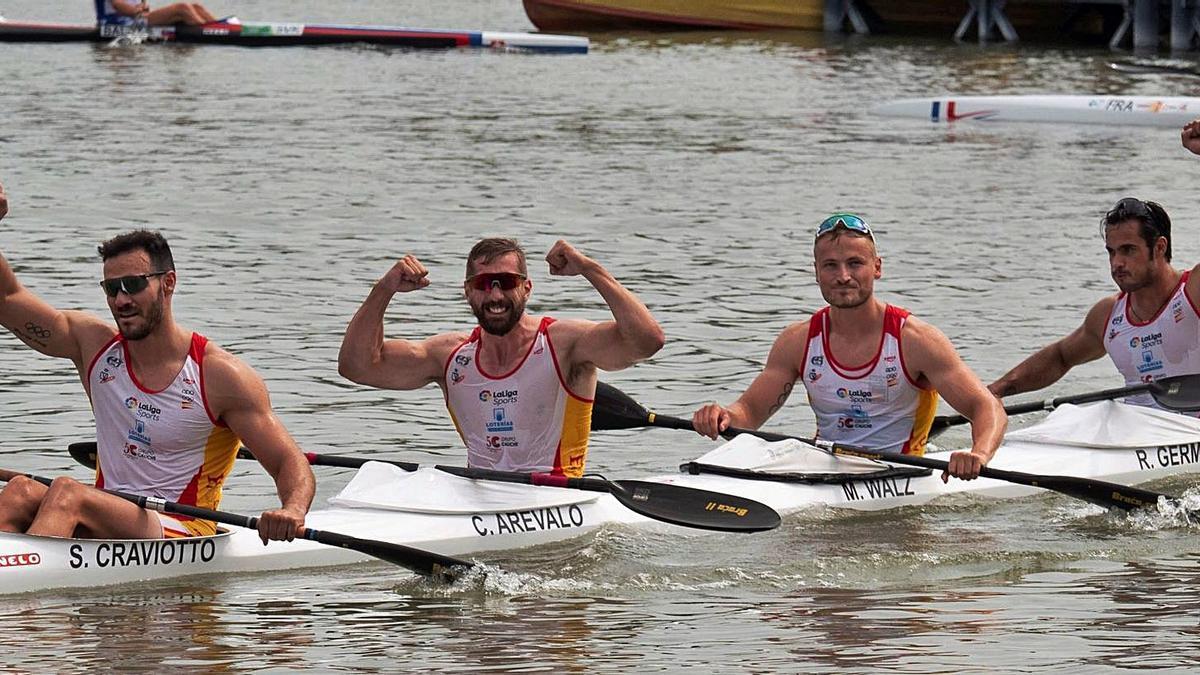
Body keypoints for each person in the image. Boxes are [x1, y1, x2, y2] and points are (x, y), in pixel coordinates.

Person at [0, 226, 314, 542]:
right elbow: (6, 297)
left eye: (133, 285)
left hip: (182, 525)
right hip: (106, 510)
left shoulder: (220, 376)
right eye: (112, 288)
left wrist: (292, 511)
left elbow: (289, 461)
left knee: (67, 492)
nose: (121, 299)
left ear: (168, 283)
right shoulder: (94, 347)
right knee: (20, 490)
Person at [691, 214, 1006, 481]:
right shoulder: (797, 341)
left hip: (900, 470)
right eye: (830, 266)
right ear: (816, 272)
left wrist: (978, 453)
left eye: (855, 263)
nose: (843, 277)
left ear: (877, 268)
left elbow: (988, 408)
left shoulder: (917, 341)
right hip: (826, 467)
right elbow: (750, 412)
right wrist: (722, 416)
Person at [338, 238, 665, 478]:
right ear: (467, 291)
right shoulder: (448, 356)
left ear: (527, 288)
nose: (495, 295)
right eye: (482, 284)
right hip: (479, 498)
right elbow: (357, 366)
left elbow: (646, 341)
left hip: (556, 496)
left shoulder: (565, 344)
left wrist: (590, 269)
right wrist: (384, 290)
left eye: (507, 283)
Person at [989, 198, 1199, 414]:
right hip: (1140, 432)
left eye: (1128, 250)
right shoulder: (1108, 314)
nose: (1117, 262)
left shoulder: (1193, 290)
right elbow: (1060, 357)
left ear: (1159, 247)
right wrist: (993, 392)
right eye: (1112, 252)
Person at [94, 0, 218, 28]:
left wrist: (143, 8)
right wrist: (138, 11)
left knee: (196, 7)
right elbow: (117, 5)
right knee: (182, 8)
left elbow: (143, 6)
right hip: (115, 24)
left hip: (135, 20)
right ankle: (210, 31)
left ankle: (223, 27)